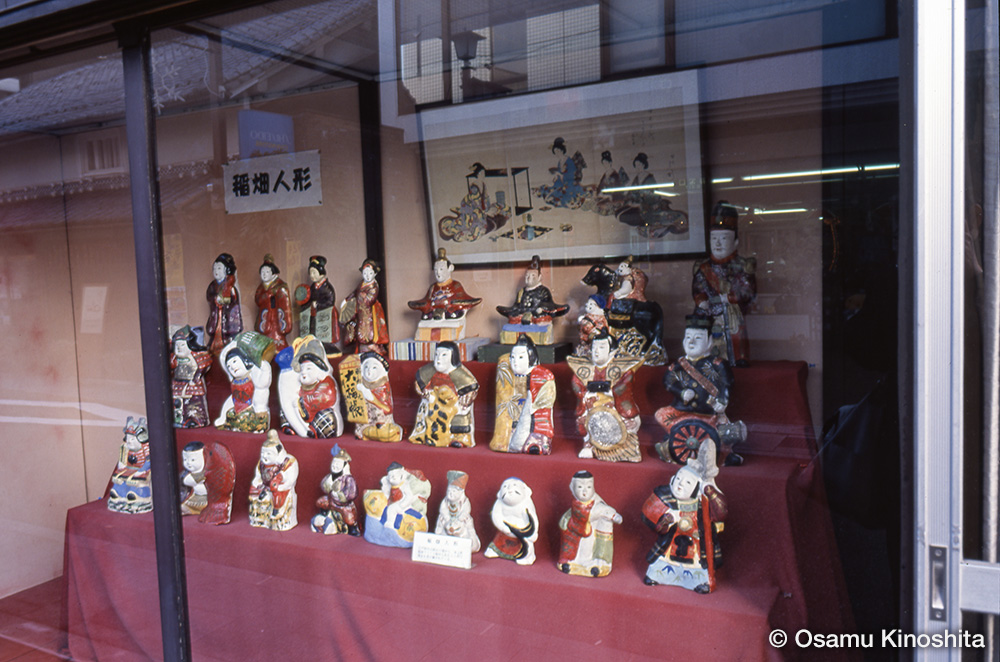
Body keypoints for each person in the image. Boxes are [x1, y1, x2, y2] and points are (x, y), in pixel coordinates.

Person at [654, 316, 745, 465]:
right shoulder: (679, 364)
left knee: (720, 434)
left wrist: (722, 400)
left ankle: (724, 456)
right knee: (660, 415)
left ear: (710, 341)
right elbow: (668, 381)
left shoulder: (717, 364)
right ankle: (674, 439)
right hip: (682, 411)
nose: (691, 342)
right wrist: (681, 392)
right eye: (688, 337)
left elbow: (727, 383)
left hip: (708, 413)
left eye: (698, 338)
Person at [642, 442, 726, 593]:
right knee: (663, 562)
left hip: (695, 544)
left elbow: (721, 513)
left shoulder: (702, 505)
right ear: (672, 479)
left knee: (696, 564)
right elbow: (649, 513)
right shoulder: (665, 496)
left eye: (688, 482)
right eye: (679, 479)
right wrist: (667, 518)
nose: (680, 484)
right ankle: (657, 576)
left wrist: (709, 491)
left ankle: (699, 582)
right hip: (671, 542)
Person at [692, 201, 757, 366]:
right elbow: (698, 288)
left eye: (724, 238)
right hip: (710, 313)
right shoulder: (703, 268)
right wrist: (701, 300)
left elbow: (747, 292)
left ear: (735, 242)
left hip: (732, 312)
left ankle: (738, 358)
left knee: (734, 335)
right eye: (714, 238)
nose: (718, 243)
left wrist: (730, 298)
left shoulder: (742, 266)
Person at [568, 331, 643, 462]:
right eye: (594, 348)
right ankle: (589, 445)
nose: (596, 352)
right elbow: (577, 384)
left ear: (612, 351)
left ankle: (624, 450)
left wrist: (609, 391)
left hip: (615, 406)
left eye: (602, 347)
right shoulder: (584, 370)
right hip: (591, 405)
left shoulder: (622, 370)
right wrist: (586, 394)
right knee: (584, 420)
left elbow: (624, 386)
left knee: (628, 424)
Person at [489, 335, 556, 454]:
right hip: (515, 420)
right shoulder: (507, 373)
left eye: (520, 357)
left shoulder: (543, 376)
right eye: (512, 357)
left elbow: (545, 401)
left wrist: (530, 404)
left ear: (531, 357)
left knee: (535, 443)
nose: (515, 362)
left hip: (535, 421)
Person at [409, 341, 479, 448]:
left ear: (453, 357)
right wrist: (424, 392)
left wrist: (466, 398)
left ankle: (457, 438)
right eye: (436, 354)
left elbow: (470, 388)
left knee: (462, 412)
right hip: (434, 403)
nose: (438, 359)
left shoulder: (461, 375)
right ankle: (424, 435)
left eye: (444, 355)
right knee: (425, 409)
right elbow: (419, 384)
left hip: (452, 404)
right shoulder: (429, 370)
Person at [557, 471, 622, 577]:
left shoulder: (597, 504)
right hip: (577, 536)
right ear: (572, 488)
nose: (584, 491)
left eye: (588, 487)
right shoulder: (574, 506)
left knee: (602, 527)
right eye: (580, 487)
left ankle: (599, 562)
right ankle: (573, 561)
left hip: (592, 534)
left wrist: (614, 516)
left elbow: (605, 510)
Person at [362, 462, 432, 548]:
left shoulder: (405, 485)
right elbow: (387, 494)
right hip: (393, 502)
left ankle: (390, 523)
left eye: (396, 475)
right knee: (387, 507)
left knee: (392, 509)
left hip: (402, 505)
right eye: (391, 476)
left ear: (401, 475)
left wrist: (402, 504)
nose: (393, 477)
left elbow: (409, 496)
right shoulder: (389, 485)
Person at [215, 335, 273, 433]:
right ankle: (230, 422)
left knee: (250, 416)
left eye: (234, 361)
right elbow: (222, 357)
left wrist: (264, 368)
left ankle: (256, 425)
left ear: (245, 360)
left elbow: (262, 385)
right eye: (229, 366)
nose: (232, 367)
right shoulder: (234, 381)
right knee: (230, 413)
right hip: (237, 406)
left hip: (251, 406)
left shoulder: (252, 374)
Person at [407, 248, 482, 321]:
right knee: (426, 313)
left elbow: (461, 299)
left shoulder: (455, 285)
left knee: (455, 309)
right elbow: (427, 300)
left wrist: (447, 303)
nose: (438, 273)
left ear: (450, 268)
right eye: (436, 270)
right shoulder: (433, 287)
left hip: (449, 310)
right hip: (433, 311)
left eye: (441, 269)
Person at [496, 255, 569, 326]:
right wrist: (515, 310)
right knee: (514, 316)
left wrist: (540, 308)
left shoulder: (543, 291)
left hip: (536, 315)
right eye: (527, 275)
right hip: (522, 313)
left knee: (541, 317)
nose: (529, 278)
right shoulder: (521, 291)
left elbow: (549, 304)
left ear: (539, 277)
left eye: (533, 275)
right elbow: (517, 305)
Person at [248, 430, 299, 531]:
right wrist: (256, 482)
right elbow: (258, 475)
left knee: (277, 495)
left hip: (280, 488)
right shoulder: (262, 464)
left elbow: (291, 479)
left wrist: (281, 483)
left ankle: (277, 512)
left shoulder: (287, 462)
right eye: (263, 453)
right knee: (254, 493)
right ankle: (259, 517)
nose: (264, 456)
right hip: (265, 486)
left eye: (268, 453)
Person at [484, 477, 539, 565]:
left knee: (526, 546)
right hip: (504, 531)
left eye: (514, 485)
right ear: (499, 494)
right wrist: (503, 527)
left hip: (522, 534)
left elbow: (533, 519)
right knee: (498, 542)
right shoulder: (499, 503)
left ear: (525, 490)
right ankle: (495, 551)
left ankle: (525, 557)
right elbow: (496, 516)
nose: (509, 489)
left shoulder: (527, 503)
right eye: (505, 486)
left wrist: (533, 532)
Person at [179, 440, 236, 525]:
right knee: (182, 505)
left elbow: (190, 480)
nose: (188, 463)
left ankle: (199, 509)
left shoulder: (208, 472)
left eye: (193, 460)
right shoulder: (188, 474)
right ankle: (191, 509)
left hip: (206, 500)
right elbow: (186, 481)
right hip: (193, 498)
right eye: (185, 459)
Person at [341, 258, 389, 355]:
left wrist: (360, 298)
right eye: (365, 273)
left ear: (375, 274)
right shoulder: (362, 283)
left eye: (370, 273)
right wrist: (346, 300)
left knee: (368, 330)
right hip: (359, 310)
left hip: (369, 312)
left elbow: (369, 300)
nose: (367, 276)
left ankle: (371, 345)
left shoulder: (374, 286)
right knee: (355, 326)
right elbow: (355, 292)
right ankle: (361, 347)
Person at [351, 351, 403, 442]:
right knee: (363, 429)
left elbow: (387, 409)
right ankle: (366, 433)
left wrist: (369, 396)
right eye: (366, 367)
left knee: (386, 431)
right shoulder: (361, 385)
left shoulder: (382, 387)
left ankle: (377, 433)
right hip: (367, 422)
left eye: (374, 368)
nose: (369, 371)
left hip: (381, 423)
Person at [311, 444, 360, 536]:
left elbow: (352, 494)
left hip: (343, 505)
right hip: (331, 500)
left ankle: (352, 528)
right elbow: (323, 486)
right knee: (320, 501)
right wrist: (328, 485)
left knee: (349, 516)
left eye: (338, 464)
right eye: (334, 463)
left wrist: (339, 493)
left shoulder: (348, 479)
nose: (335, 466)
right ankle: (325, 515)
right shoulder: (330, 476)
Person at [107, 416, 152, 514]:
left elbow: (149, 461)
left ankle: (138, 494)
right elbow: (122, 461)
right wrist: (121, 467)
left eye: (132, 439)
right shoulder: (125, 448)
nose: (129, 441)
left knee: (137, 483)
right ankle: (119, 493)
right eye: (128, 438)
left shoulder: (146, 448)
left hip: (141, 470)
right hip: (128, 469)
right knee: (119, 481)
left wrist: (142, 470)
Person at [295, 255, 340, 351]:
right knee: (313, 329)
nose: (312, 275)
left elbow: (330, 301)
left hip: (325, 314)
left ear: (321, 272)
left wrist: (318, 304)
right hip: (314, 313)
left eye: (314, 272)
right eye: (310, 273)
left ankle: (326, 345)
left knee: (325, 332)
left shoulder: (327, 287)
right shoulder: (312, 287)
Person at [170, 325, 212, 428]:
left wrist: (196, 377)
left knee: (194, 403)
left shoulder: (196, 356)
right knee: (178, 403)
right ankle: (180, 419)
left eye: (182, 345)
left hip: (192, 383)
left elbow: (204, 365)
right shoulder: (174, 358)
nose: (179, 348)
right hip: (178, 383)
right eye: (177, 345)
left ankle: (196, 420)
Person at [434, 470, 480, 552]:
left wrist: (460, 519)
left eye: (454, 491)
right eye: (449, 491)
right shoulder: (445, 501)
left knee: (466, 529)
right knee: (441, 522)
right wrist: (447, 518)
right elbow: (443, 509)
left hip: (460, 522)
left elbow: (466, 510)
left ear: (461, 492)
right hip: (447, 521)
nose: (450, 493)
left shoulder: (465, 501)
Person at [205, 252, 243, 353]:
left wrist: (225, 301)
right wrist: (215, 299)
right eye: (214, 268)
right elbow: (209, 296)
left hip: (227, 317)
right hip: (217, 316)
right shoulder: (212, 286)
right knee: (214, 336)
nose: (216, 271)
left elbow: (234, 300)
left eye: (219, 268)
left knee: (228, 340)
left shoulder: (230, 287)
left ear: (226, 270)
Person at [254, 254, 292, 351]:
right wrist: (266, 296)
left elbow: (285, 306)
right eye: (262, 272)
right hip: (265, 320)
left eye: (267, 272)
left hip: (276, 322)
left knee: (278, 345)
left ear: (273, 273)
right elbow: (257, 300)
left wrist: (285, 325)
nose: (264, 274)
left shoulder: (280, 287)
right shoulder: (261, 287)